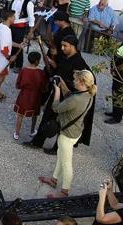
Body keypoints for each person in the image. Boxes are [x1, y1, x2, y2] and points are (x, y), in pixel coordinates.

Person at [38, 69, 95, 197]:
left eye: (75, 80)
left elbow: (56, 108)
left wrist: (57, 90)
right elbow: (70, 97)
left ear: (81, 82)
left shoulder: (75, 99)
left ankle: (64, 191)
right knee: (61, 155)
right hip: (76, 131)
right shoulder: (89, 95)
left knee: (66, 163)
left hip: (67, 135)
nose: (73, 82)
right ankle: (54, 180)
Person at [0, 0, 35, 72]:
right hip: (11, 25)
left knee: (18, 45)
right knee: (10, 43)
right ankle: (10, 62)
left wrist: (31, 31)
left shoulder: (28, 3)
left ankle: (19, 65)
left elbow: (31, 17)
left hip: (20, 27)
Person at [13, 52, 47, 140]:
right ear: (37, 61)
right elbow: (44, 87)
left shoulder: (23, 70)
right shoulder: (41, 72)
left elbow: (18, 85)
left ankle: (17, 133)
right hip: (35, 97)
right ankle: (32, 131)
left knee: (20, 115)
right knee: (34, 115)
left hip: (24, 95)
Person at [105, 45, 123, 124]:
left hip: (122, 76)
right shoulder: (122, 45)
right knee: (115, 93)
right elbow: (116, 56)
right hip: (117, 74)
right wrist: (112, 68)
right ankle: (115, 112)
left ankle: (117, 117)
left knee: (119, 95)